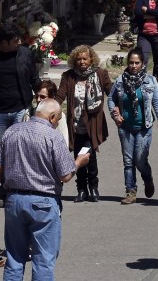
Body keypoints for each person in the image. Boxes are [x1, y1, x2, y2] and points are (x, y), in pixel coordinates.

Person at [0, 99, 88, 281]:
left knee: (14, 257)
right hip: (44, 203)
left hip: (14, 201)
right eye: (58, 119)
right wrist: (79, 161)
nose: (57, 123)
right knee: (43, 259)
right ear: (52, 116)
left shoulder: (12, 131)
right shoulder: (53, 136)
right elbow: (65, 176)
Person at [108, 49, 158, 205]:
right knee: (128, 161)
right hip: (125, 127)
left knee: (140, 159)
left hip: (144, 127)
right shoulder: (120, 81)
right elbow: (111, 100)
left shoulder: (150, 81)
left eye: (137, 63)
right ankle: (130, 191)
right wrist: (115, 114)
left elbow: (157, 103)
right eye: (131, 63)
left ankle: (147, 177)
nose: (133, 66)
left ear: (142, 64)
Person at [56, 45, 113, 203]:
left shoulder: (100, 74)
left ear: (91, 59)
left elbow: (112, 92)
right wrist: (51, 107)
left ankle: (93, 188)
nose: (82, 62)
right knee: (77, 157)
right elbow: (61, 94)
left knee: (89, 155)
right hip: (75, 125)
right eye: (79, 59)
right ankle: (81, 189)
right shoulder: (69, 76)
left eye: (85, 58)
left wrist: (121, 105)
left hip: (92, 124)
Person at [0, 22, 38, 142]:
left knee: (19, 146)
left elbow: (34, 78)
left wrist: (43, 96)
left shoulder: (25, 54)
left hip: (21, 110)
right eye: (15, 40)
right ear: (4, 42)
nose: (19, 42)